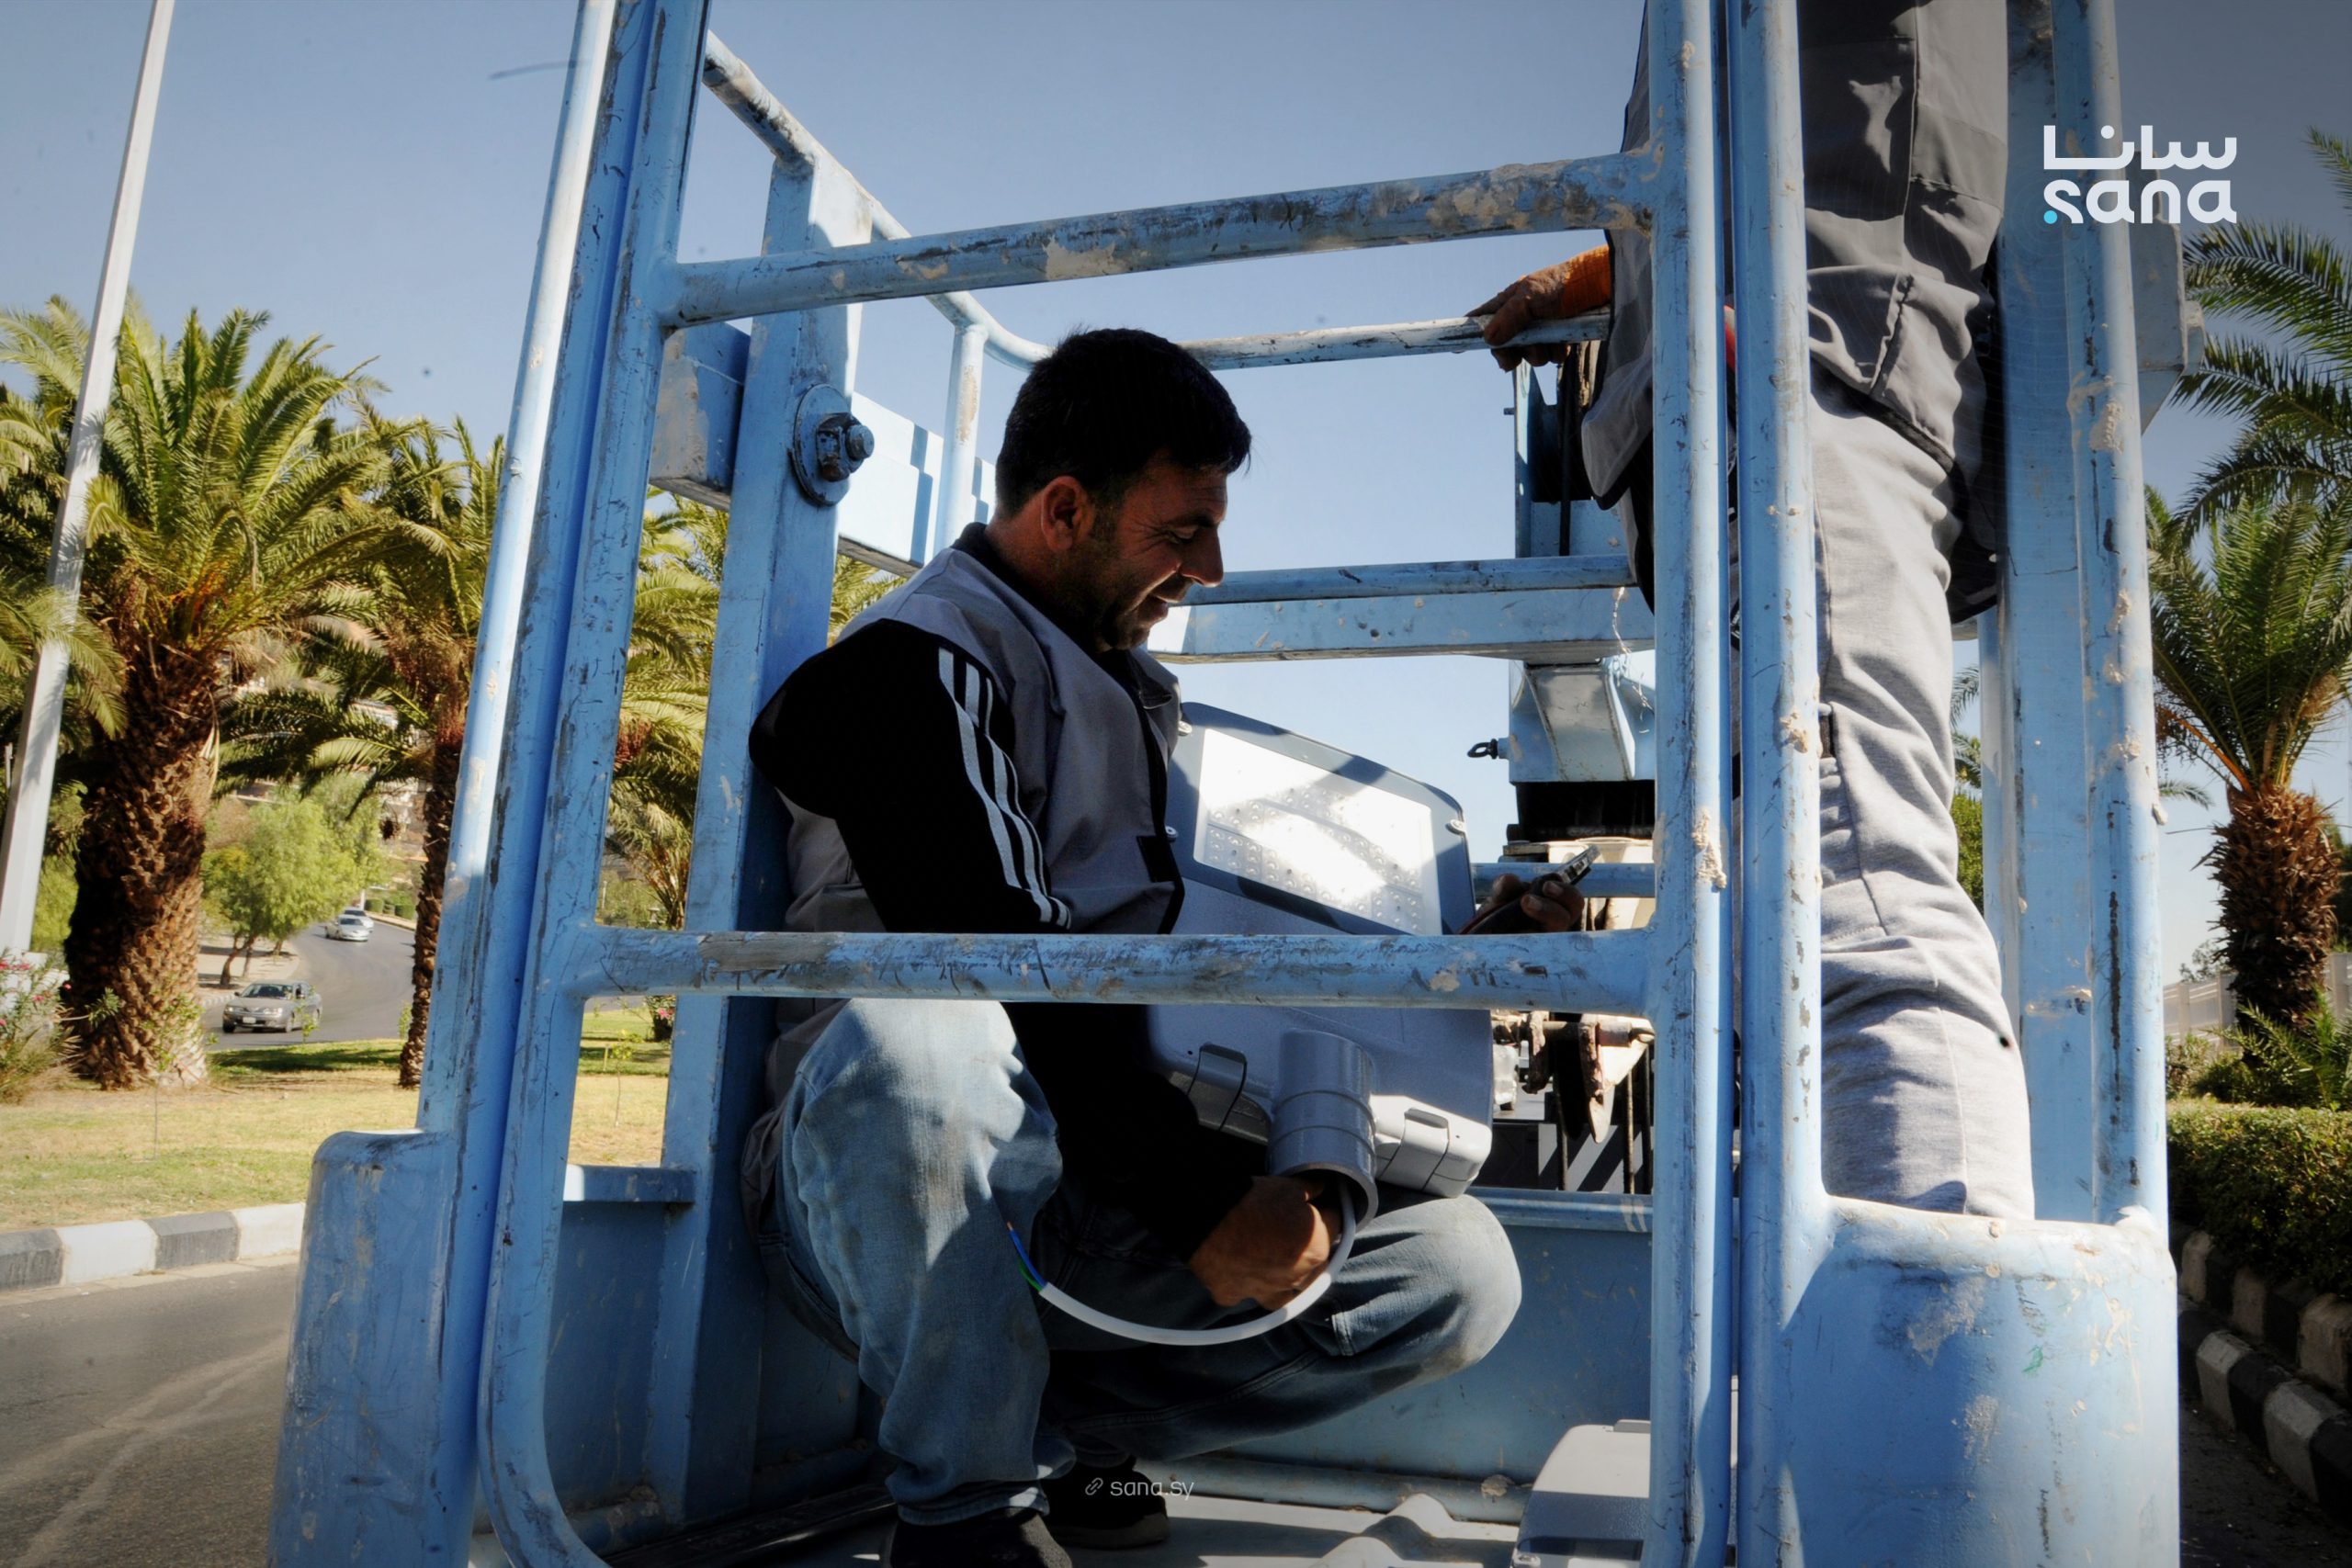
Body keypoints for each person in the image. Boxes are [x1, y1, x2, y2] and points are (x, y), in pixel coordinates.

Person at [742, 328, 1522, 1568]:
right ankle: (964, 1513)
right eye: (1183, 530)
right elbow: (1006, 959)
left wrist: (1452, 960)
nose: (1209, 567)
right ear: (1065, 511)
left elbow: (1217, 964)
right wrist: (1203, 1204)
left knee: (1456, 1269)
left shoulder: (1142, 703)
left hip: (1093, 1170)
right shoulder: (907, 670)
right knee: (925, 1037)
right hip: (887, 1189)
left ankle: (1059, 1437)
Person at [1472, 0, 2034, 1220]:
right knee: (1783, 917)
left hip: (1796, 371)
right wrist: (1620, 272)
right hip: (1756, 381)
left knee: (1849, 901)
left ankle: (1927, 1331)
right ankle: (1855, 1318)